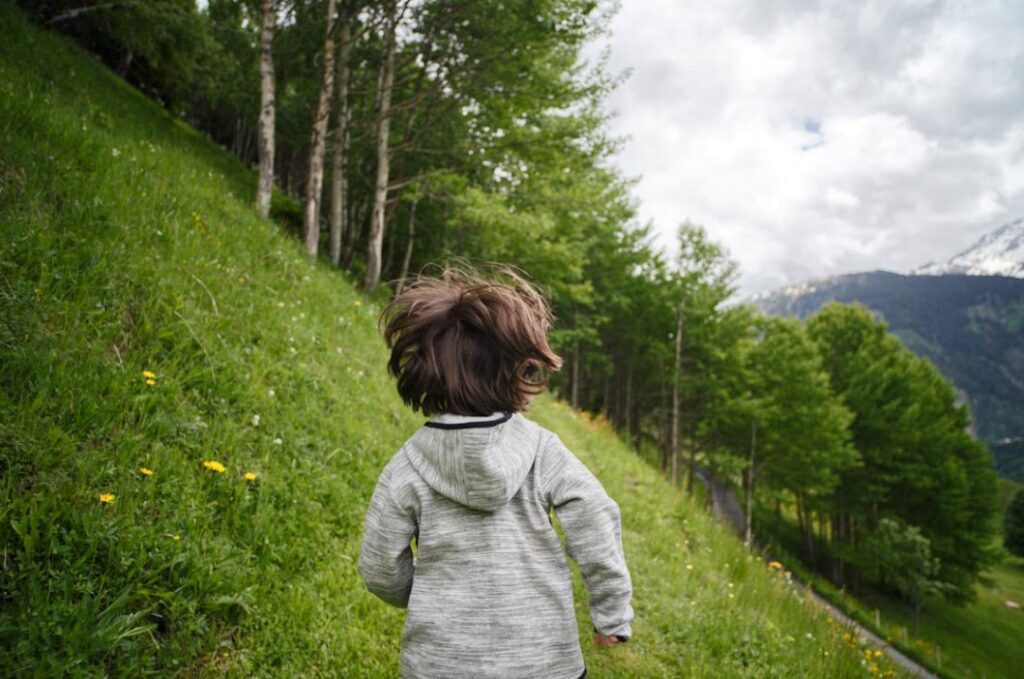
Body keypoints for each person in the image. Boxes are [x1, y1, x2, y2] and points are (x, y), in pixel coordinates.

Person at [358, 267, 633, 679]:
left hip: (439, 665)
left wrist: (425, 597)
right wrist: (611, 611)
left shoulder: (407, 465)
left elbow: (379, 567)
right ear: (516, 371)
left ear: (427, 370)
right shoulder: (542, 450)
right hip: (543, 663)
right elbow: (594, 515)